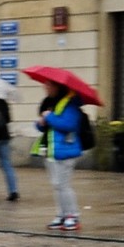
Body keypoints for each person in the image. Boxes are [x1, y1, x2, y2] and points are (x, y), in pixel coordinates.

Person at [33, 89, 84, 231]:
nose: (46, 88)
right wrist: (41, 122)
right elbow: (42, 127)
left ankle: (73, 216)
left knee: (64, 185)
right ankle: (61, 215)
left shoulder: (71, 104)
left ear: (57, 86)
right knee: (56, 185)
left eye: (49, 85)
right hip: (51, 150)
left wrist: (49, 117)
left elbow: (69, 124)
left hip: (65, 150)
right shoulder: (49, 103)